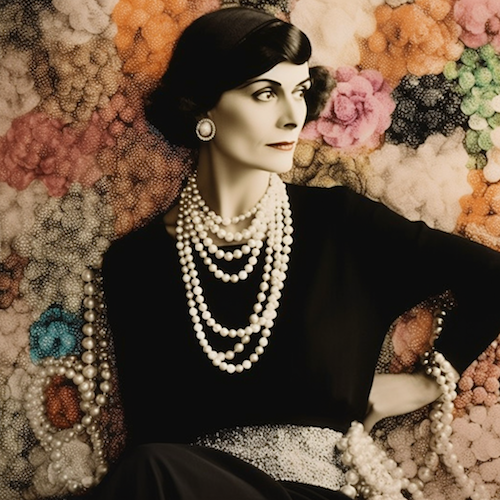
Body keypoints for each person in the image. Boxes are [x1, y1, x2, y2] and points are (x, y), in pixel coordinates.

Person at [89, 6, 500, 500]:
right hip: (183, 488)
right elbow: (152, 435)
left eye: (300, 92)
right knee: (148, 469)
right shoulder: (136, 265)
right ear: (202, 110)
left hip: (313, 493)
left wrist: (427, 382)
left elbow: (492, 276)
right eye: (266, 94)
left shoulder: (340, 226)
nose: (292, 116)